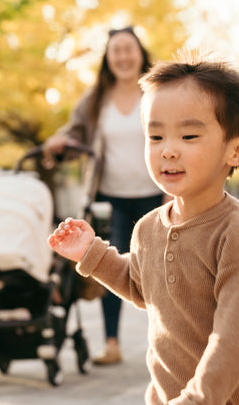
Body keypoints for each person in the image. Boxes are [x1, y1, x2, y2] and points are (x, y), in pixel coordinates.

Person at [48, 55, 239, 405]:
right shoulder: (148, 228)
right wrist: (91, 253)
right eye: (155, 135)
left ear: (235, 151)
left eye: (189, 134)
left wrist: (199, 403)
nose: (168, 148)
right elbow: (145, 287)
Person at [43, 26, 164, 365]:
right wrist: (59, 141)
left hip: (158, 196)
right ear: (108, 58)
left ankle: (173, 343)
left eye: (129, 49)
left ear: (140, 52)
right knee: (110, 264)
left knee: (163, 269)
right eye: (116, 51)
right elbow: (75, 130)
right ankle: (112, 343)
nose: (123, 57)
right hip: (112, 198)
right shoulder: (97, 97)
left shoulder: (158, 91)